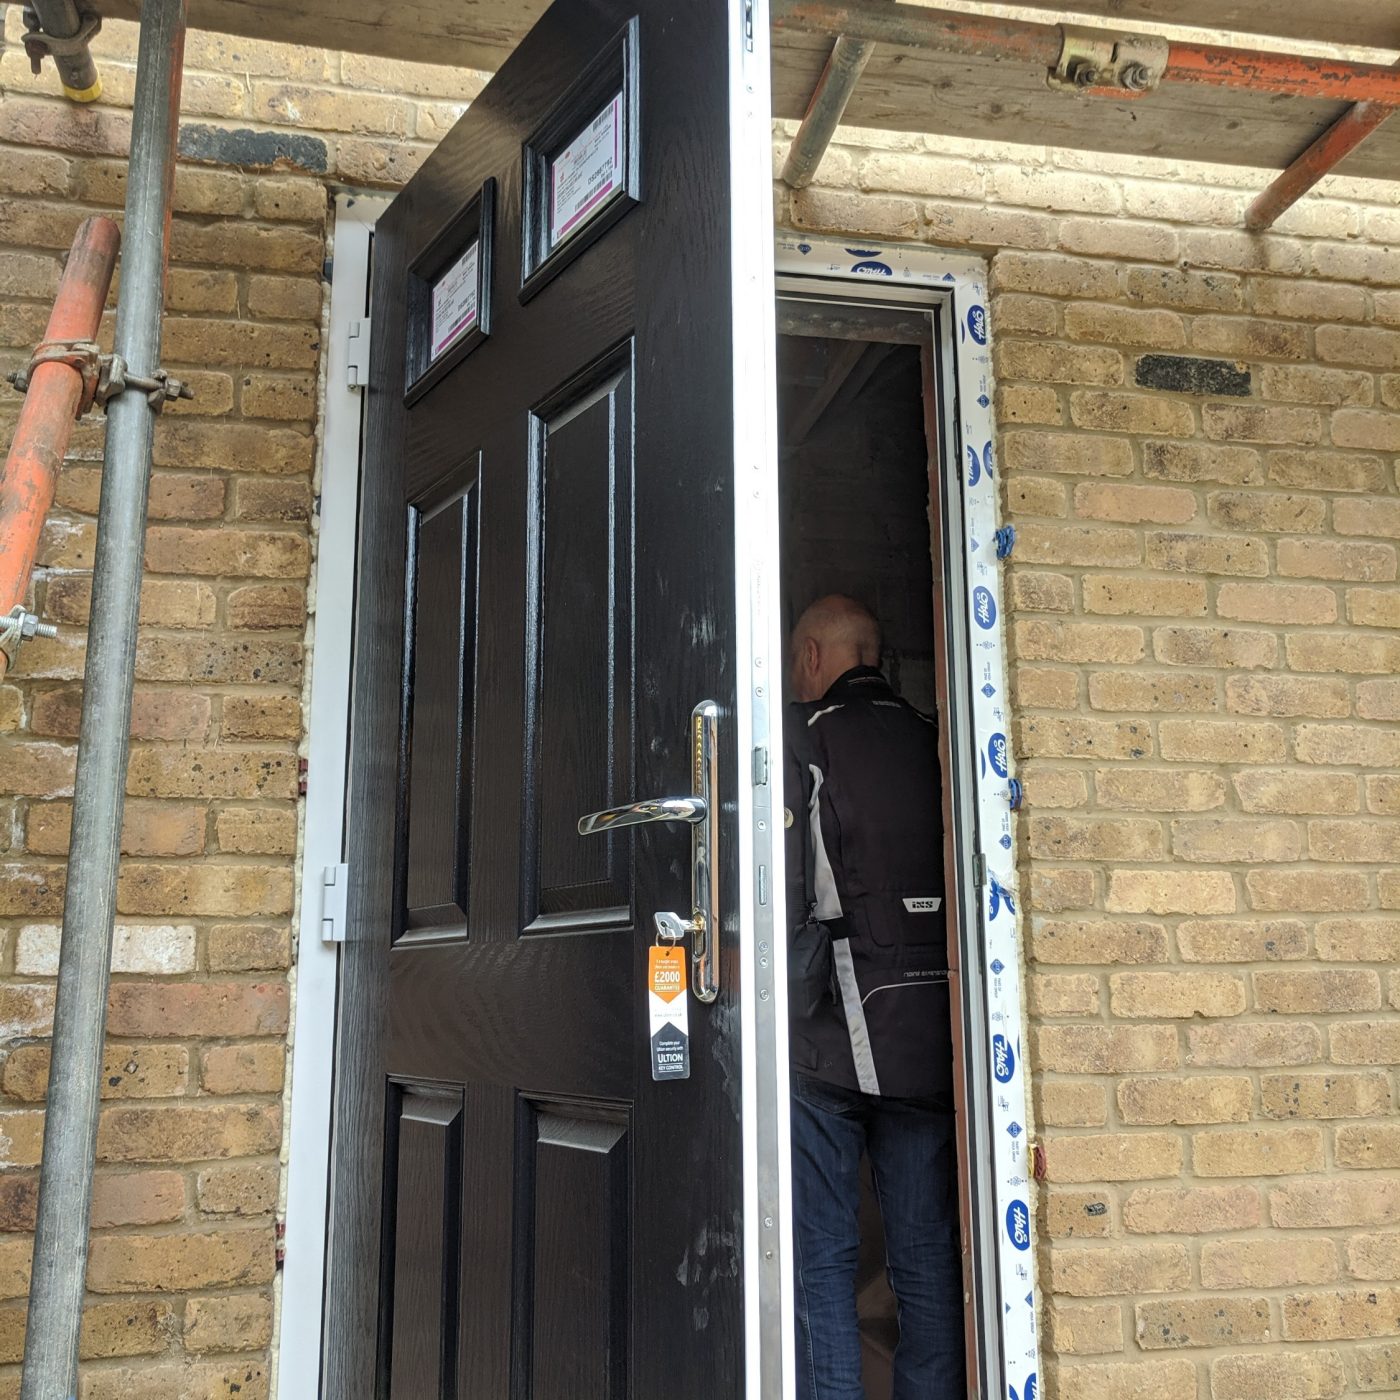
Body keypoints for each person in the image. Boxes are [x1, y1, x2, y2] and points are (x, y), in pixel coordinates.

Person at [783, 594, 965, 1400]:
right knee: (927, 1252)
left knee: (822, 1255)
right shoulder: (939, 739)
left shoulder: (803, 737)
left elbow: (785, 899)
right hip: (934, 1035)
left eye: (797, 660)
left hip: (831, 1044)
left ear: (817, 658)